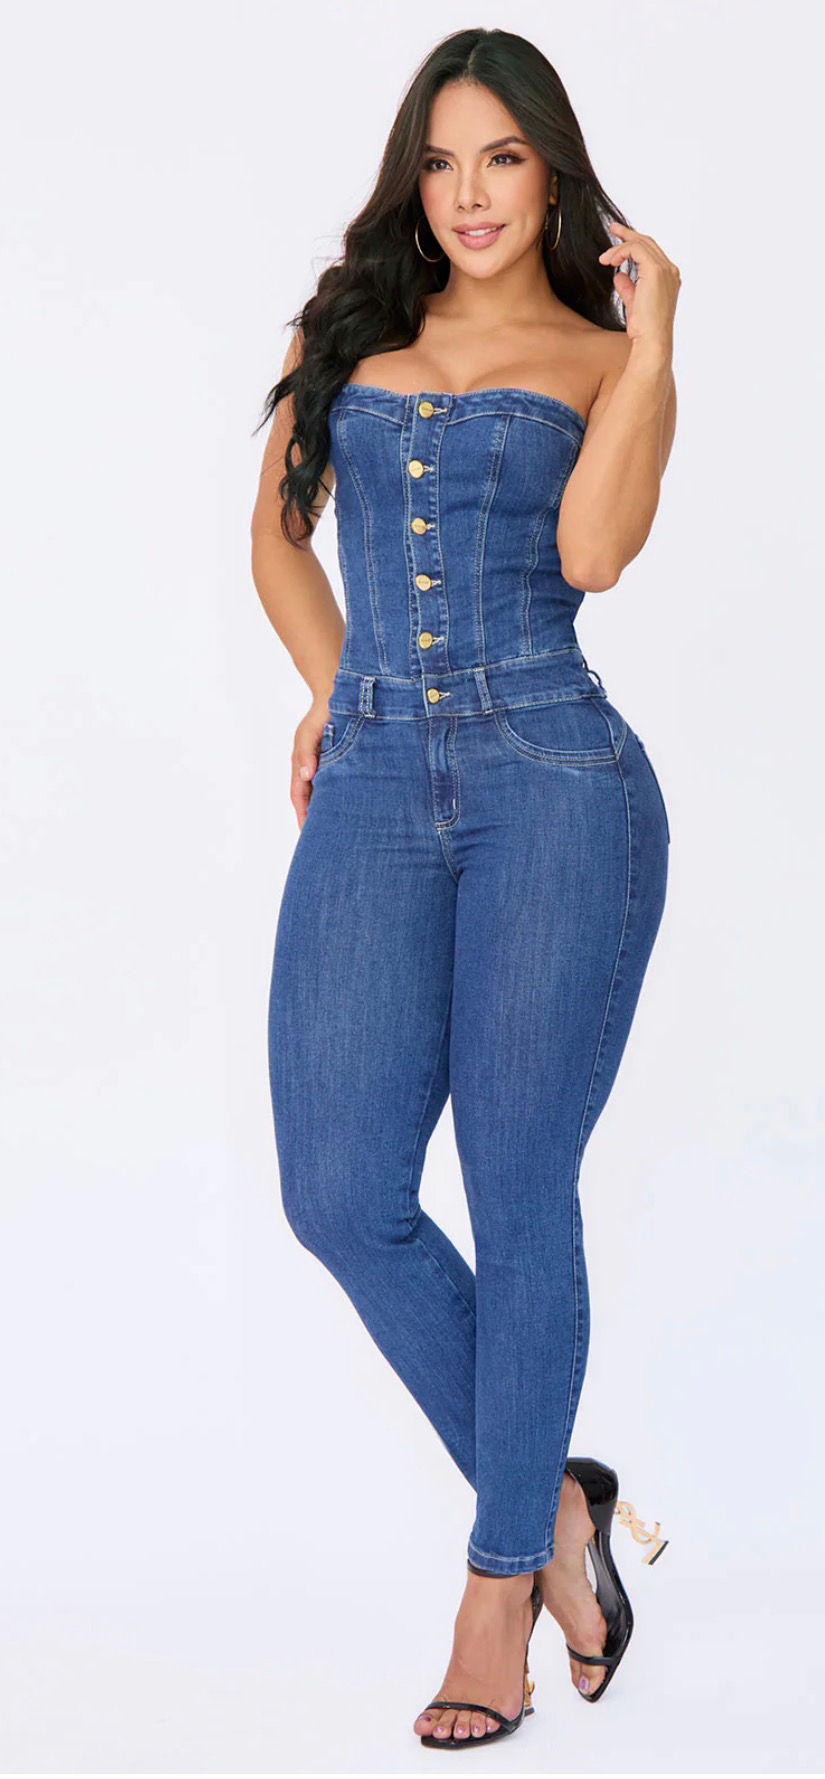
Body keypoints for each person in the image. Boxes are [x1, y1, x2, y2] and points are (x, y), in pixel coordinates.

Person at [250, 25, 679, 1751]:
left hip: (553, 782)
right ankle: (562, 1506)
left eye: (501, 157)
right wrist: (328, 687)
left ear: (551, 171)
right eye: (440, 160)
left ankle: (499, 1585)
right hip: (370, 775)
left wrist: (657, 340)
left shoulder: (604, 355)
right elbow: (277, 535)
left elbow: (590, 556)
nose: (469, 192)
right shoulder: (344, 327)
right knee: (339, 1192)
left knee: (517, 1184)